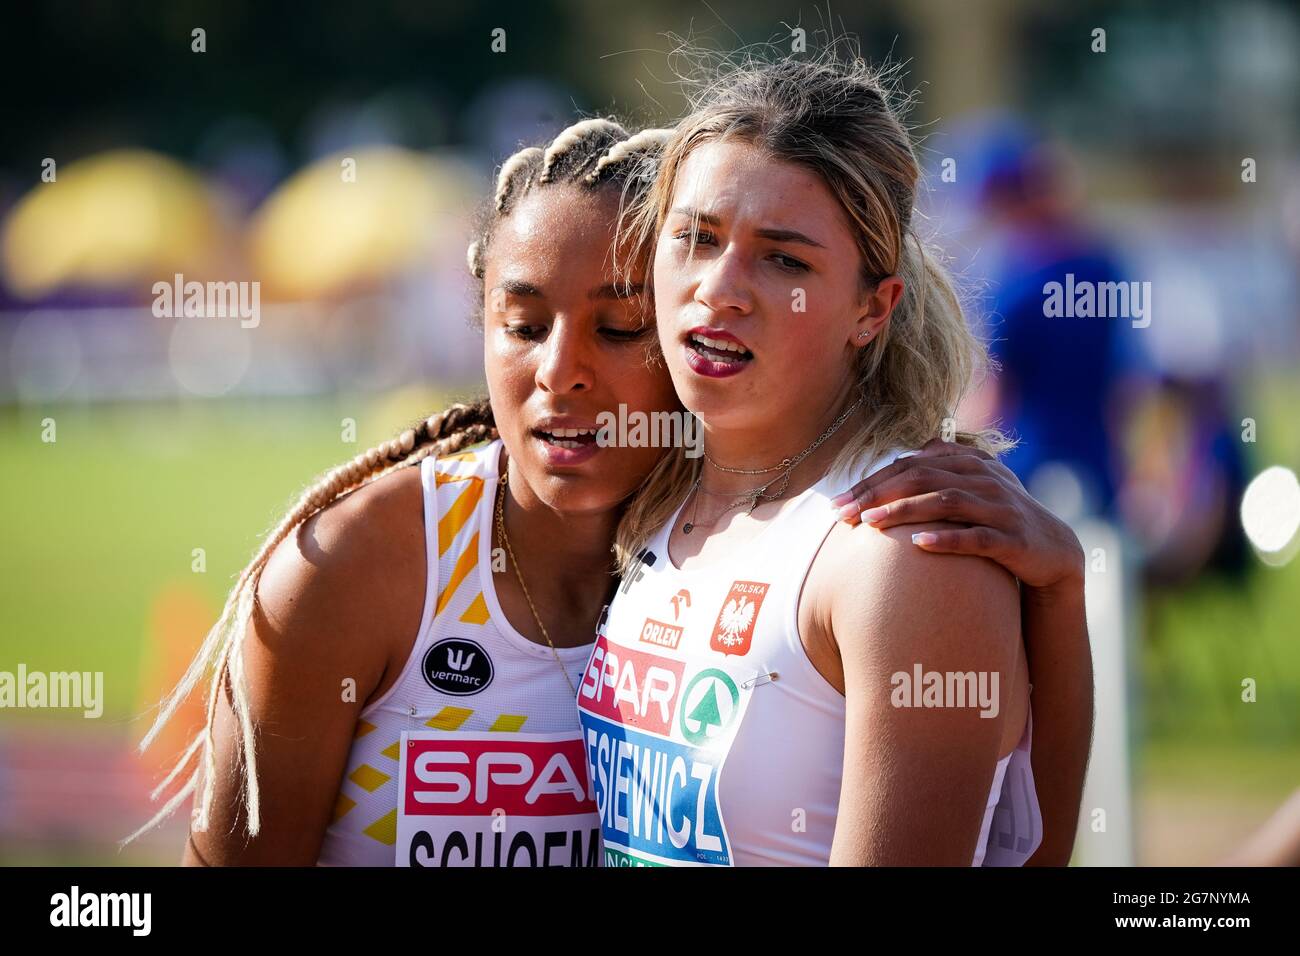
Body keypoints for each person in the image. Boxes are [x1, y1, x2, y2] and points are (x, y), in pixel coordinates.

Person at [130, 108, 1091, 866]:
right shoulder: (358, 565)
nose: (560, 372)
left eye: (619, 327)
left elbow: (1012, 842)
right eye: (522, 323)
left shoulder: (773, 537)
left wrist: (1058, 596)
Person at [576, 44, 1089, 865]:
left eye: (785, 259)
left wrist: (1061, 593)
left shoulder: (902, 545)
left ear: (871, 308)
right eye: (696, 238)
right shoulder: (652, 490)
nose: (722, 288)